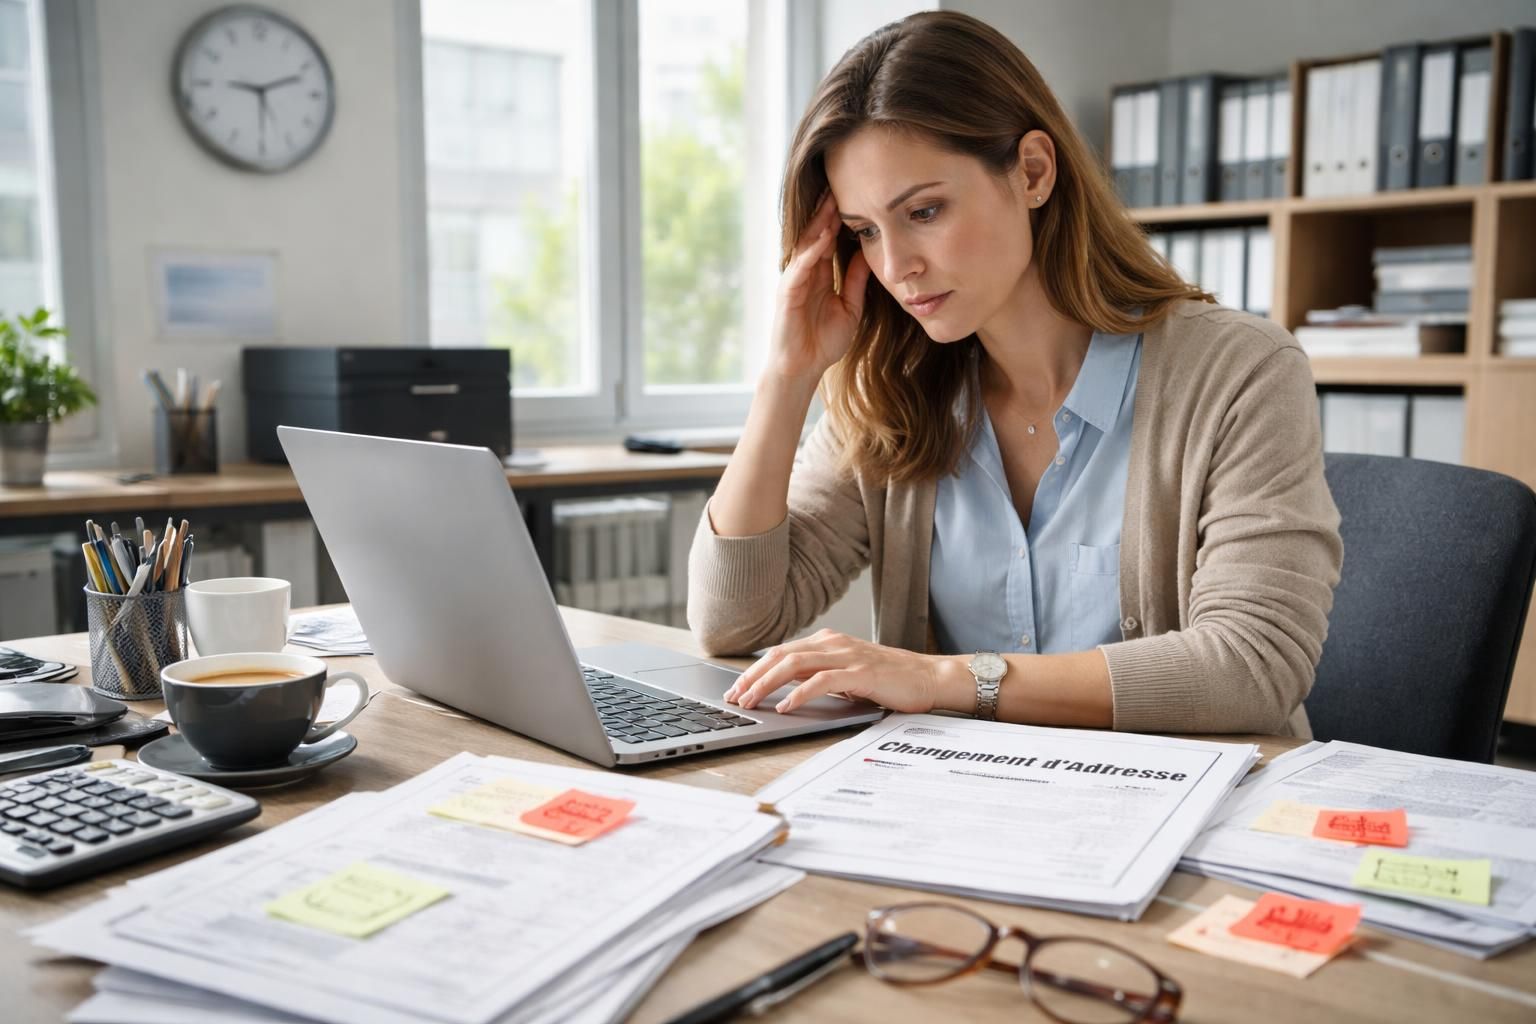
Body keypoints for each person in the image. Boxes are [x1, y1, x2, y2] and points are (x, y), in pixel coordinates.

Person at [687, 11, 1342, 736]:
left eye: (924, 211)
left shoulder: (1240, 373)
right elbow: (731, 621)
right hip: (977, 814)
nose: (896, 265)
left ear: (1032, 172)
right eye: (865, 232)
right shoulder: (891, 390)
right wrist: (787, 375)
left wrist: (942, 678)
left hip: (1190, 821)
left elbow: (1251, 668)